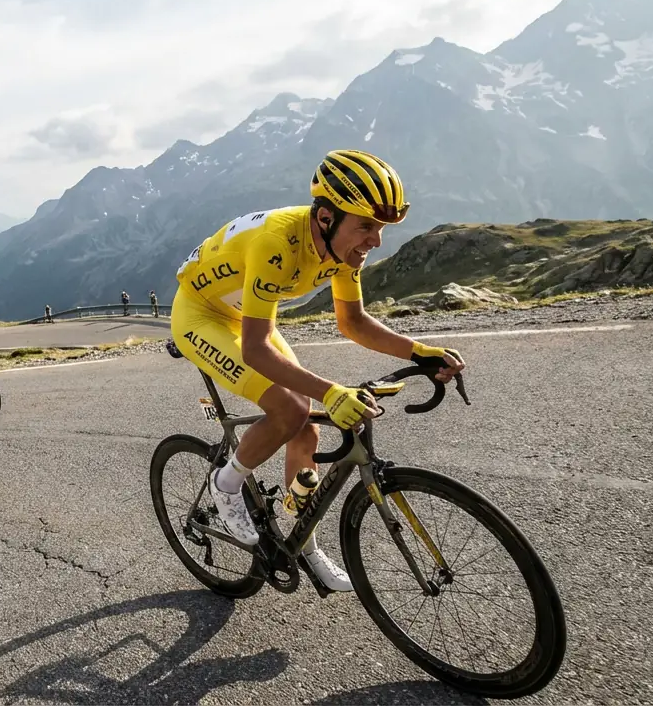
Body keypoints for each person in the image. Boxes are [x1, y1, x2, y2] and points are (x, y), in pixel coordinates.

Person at [170, 148, 464, 592]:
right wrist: (331, 391)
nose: (375, 241)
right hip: (200, 315)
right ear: (326, 217)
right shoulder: (276, 243)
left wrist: (419, 352)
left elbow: (354, 322)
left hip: (244, 314)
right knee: (290, 408)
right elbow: (256, 350)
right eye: (366, 226)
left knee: (306, 429)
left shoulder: (340, 249)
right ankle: (225, 483)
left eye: (380, 228)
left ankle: (302, 542)